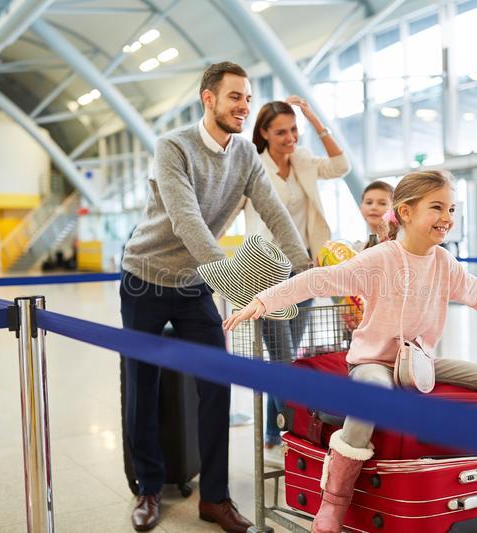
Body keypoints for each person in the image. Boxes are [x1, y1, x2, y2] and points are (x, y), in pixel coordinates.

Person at [223, 170, 477, 533]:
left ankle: (465, 463)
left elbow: (472, 289)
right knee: (374, 397)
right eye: (437, 207)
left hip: (419, 363)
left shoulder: (444, 262)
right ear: (407, 213)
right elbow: (319, 280)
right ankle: (333, 503)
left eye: (452, 209)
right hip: (373, 363)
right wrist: (263, 300)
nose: (448, 217)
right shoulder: (381, 259)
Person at [120, 61, 311, 533]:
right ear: (209, 99)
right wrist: (240, 287)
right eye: (234, 97)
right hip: (145, 277)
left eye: (247, 97)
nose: (243, 105)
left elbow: (276, 211)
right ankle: (148, 486)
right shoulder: (174, 148)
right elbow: (189, 224)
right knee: (141, 384)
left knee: (216, 384)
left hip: (193, 287)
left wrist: (304, 269)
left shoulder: (245, 155)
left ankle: (216, 498)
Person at [244, 97, 350, 464]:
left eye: (293, 130)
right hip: (266, 274)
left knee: (287, 357)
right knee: (283, 358)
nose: (290, 137)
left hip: (303, 270)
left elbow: (341, 165)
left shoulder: (303, 160)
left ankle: (275, 435)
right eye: (281, 132)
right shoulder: (251, 166)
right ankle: (288, 432)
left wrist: (314, 119)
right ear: (263, 134)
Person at [355, 180, 394, 251]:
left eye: (382, 203)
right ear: (361, 207)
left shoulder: (398, 244)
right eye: (369, 203)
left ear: (394, 208)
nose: (373, 207)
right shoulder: (357, 249)